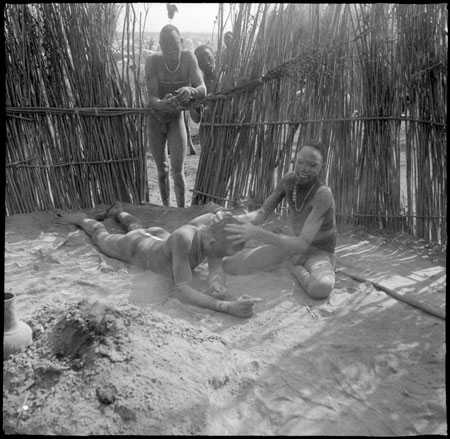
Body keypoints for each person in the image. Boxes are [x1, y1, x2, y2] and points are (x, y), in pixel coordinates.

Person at [54, 203, 260, 318]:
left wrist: (216, 282)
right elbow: (183, 290)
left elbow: (216, 266)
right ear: (214, 243)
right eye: (223, 252)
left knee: (138, 228)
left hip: (159, 238)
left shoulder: (212, 234)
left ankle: (119, 211)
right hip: (136, 248)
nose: (221, 257)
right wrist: (226, 307)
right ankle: (81, 218)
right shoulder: (184, 239)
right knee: (102, 237)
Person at [220, 140, 336, 300]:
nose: (304, 168)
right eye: (300, 162)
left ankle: (294, 268)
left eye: (312, 165)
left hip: (317, 253)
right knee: (229, 265)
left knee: (320, 287)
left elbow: (303, 244)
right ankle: (290, 263)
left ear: (322, 168)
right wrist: (234, 219)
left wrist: (256, 233)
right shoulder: (289, 180)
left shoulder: (323, 194)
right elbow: (261, 213)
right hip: (289, 248)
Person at [145, 25, 207, 207]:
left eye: (174, 45)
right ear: (160, 46)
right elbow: (152, 98)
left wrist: (191, 90)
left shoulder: (189, 58)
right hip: (155, 120)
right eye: (166, 47)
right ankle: (166, 208)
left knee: (177, 172)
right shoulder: (152, 61)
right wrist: (161, 103)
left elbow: (203, 88)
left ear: (181, 42)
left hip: (176, 118)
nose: (171, 51)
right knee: (162, 170)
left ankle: (180, 211)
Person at [189, 44, 216, 124]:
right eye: (201, 61)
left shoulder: (225, 79)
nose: (207, 63)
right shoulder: (196, 87)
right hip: (207, 129)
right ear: (196, 64)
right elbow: (196, 119)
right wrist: (192, 105)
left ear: (214, 58)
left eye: (209, 58)